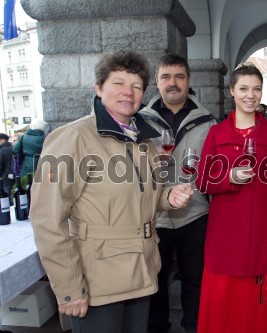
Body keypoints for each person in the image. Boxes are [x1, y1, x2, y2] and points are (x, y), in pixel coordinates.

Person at [30, 50, 194, 333]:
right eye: (118, 83)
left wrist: (168, 197)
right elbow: (47, 219)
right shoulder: (73, 137)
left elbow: (146, 197)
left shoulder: (142, 141)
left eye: (137, 86)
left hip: (141, 272)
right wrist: (69, 288)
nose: (128, 92)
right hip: (98, 283)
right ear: (98, 87)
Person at [195, 62, 267, 333]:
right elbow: (202, 179)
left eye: (256, 89)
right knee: (225, 310)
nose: (250, 95)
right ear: (232, 91)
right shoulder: (216, 133)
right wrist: (228, 178)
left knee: (261, 313)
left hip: (264, 235)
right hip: (224, 237)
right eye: (243, 88)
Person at [139, 53, 217, 333]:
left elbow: (214, 169)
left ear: (188, 81)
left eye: (179, 77)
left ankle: (194, 326)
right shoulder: (140, 122)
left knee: (195, 279)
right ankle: (157, 328)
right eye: (166, 77)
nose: (173, 83)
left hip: (194, 215)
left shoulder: (208, 121)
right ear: (156, 82)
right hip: (155, 215)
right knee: (154, 280)